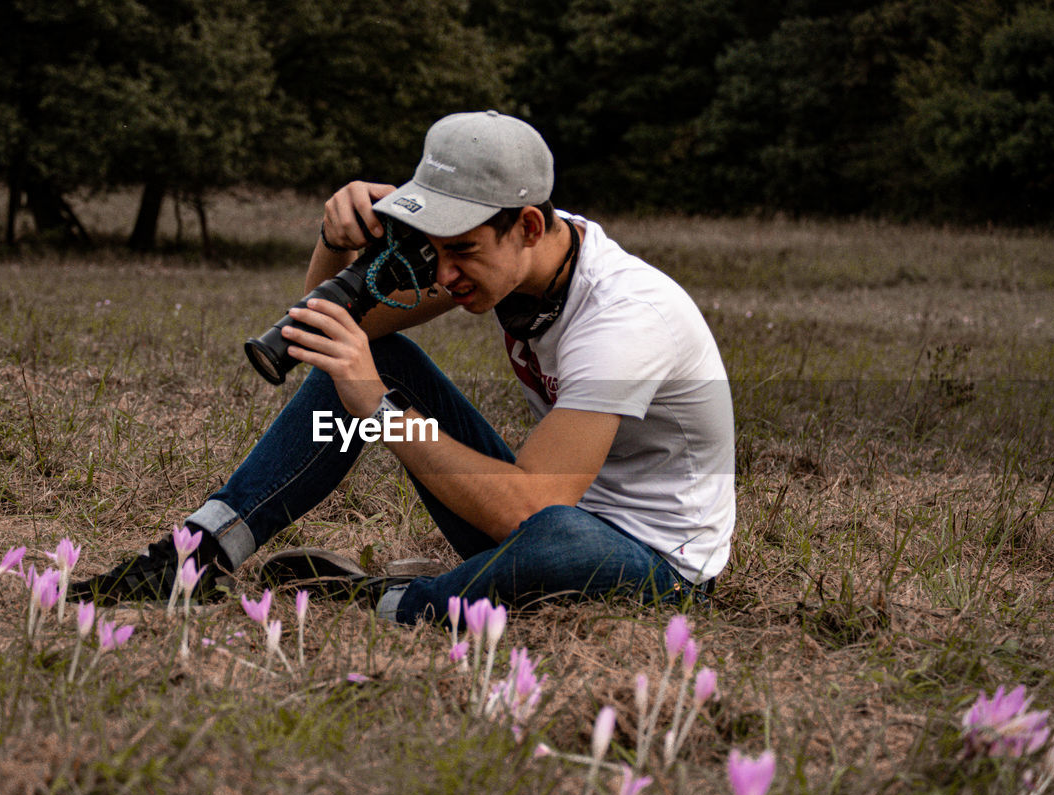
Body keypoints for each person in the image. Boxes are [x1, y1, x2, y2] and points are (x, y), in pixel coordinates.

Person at [68, 110, 734, 624]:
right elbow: (335, 334)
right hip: (545, 522)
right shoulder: (502, 262)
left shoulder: (625, 320)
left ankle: (397, 602)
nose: (444, 274)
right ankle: (195, 557)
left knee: (554, 535)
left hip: (651, 565)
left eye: (463, 250)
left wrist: (382, 413)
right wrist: (338, 248)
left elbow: (530, 509)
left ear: (529, 226)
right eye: (435, 248)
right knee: (371, 356)